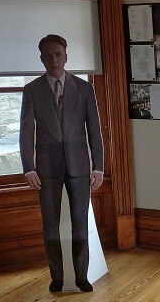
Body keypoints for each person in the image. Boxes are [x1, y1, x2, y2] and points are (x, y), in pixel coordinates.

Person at [20, 34, 104, 293]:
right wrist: (29, 167)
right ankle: (57, 277)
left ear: (66, 56)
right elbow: (25, 133)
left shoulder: (85, 88)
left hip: (80, 167)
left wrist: (98, 166)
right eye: (48, 55)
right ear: (41, 58)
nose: (54, 59)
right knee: (50, 226)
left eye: (58, 54)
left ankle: (81, 276)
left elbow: (95, 132)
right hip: (46, 169)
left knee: (80, 224)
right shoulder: (32, 90)